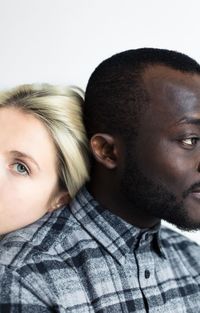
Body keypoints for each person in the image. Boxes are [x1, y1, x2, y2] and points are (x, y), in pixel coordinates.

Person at [1, 48, 200, 312]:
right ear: (107, 151)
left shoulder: (192, 260)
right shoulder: (23, 275)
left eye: (20, 166)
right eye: (189, 140)